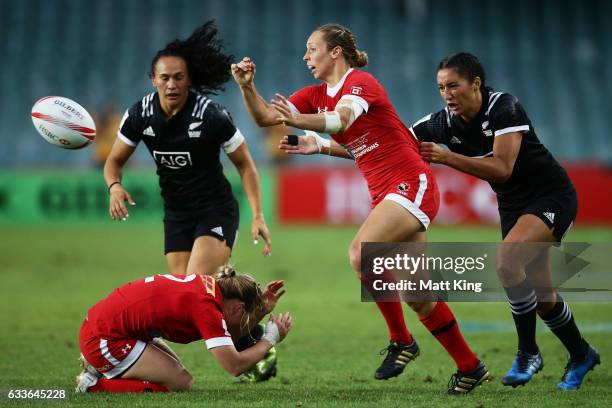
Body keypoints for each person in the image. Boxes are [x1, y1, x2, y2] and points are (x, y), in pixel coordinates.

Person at [231, 24, 490, 394]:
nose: (306, 57)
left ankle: (402, 341)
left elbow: (342, 120)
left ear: (336, 52)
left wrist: (301, 122)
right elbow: (265, 119)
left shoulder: (360, 83)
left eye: (312, 49)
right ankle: (470, 367)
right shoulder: (315, 94)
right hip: (388, 193)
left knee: (361, 253)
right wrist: (246, 86)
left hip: (410, 184)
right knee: (419, 295)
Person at [411, 52, 600, 390]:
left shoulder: (504, 107)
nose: (447, 94)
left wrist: (448, 157)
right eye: (441, 88)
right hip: (513, 205)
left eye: (454, 85)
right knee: (542, 293)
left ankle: (528, 352)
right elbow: (391, 144)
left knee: (507, 263)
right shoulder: (442, 122)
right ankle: (582, 353)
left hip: (550, 195)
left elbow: (502, 168)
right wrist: (322, 145)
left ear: (476, 83)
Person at [103, 21, 271, 278]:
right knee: (184, 301)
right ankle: (246, 310)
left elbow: (245, 163)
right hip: (176, 214)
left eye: (178, 77)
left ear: (188, 79)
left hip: (215, 210)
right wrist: (114, 186)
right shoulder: (139, 115)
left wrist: (258, 215)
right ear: (153, 80)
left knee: (194, 287)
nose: (171, 84)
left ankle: (252, 313)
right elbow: (114, 161)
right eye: (165, 78)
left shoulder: (211, 116)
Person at [75, 265, 291, 393]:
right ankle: (93, 385)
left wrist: (262, 310)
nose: (246, 320)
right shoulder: (208, 309)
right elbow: (233, 364)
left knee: (177, 375)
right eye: (247, 314)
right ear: (238, 306)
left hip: (108, 327)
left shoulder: (210, 291)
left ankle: (101, 366)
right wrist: (271, 338)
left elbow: (228, 336)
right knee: (180, 383)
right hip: (104, 337)